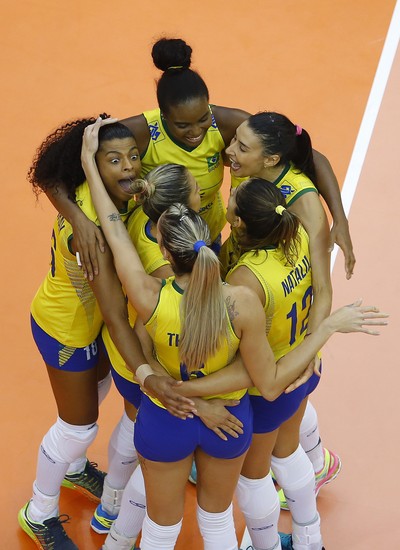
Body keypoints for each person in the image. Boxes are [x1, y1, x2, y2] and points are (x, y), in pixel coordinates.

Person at [81, 118, 385, 550]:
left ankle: (114, 527)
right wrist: (326, 330)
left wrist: (160, 383)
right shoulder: (247, 291)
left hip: (170, 414)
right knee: (226, 511)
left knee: (160, 521)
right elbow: (259, 374)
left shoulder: (153, 296)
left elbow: (113, 227)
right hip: (243, 410)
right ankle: (306, 536)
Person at [174, 177, 387, 550]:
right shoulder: (297, 235)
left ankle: (268, 545)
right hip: (301, 367)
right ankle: (309, 538)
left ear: (238, 223)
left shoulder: (246, 278)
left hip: (265, 387)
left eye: (232, 200)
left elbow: (248, 359)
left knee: (254, 477)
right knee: (288, 454)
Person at [47, 37, 355, 281]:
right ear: (162, 115)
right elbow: (52, 172)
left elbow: (312, 156)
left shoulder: (227, 123)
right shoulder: (141, 131)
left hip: (208, 239)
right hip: (159, 247)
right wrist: (79, 220)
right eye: (183, 126)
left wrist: (339, 219)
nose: (196, 131)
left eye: (202, 118)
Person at [18, 116, 160, 550]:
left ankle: (75, 469)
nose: (130, 167)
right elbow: (117, 313)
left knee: (96, 392)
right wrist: (145, 371)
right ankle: (38, 512)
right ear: (91, 168)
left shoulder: (100, 197)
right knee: (77, 426)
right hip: (67, 331)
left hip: (89, 323)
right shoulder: (91, 236)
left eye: (133, 157)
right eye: (113, 160)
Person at [223, 112, 338, 508]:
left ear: (271, 159)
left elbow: (324, 290)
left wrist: (309, 353)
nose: (229, 151)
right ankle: (317, 462)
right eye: (234, 141)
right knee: (288, 423)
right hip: (266, 324)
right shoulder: (248, 169)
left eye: (241, 147)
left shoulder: (303, 204)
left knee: (273, 442)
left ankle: (312, 474)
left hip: (283, 342)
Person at [91, 162, 204, 537]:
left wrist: (89, 165)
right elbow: (148, 333)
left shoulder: (143, 214)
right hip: (154, 370)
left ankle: (108, 508)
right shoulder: (166, 275)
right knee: (151, 462)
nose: (200, 192)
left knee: (129, 422)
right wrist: (155, 379)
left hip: (125, 361)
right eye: (194, 190)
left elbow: (110, 221)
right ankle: (120, 529)